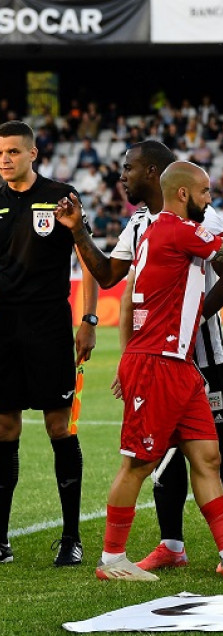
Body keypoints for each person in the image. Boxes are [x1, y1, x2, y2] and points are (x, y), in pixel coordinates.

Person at [56, 161, 223, 581]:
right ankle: (112, 560)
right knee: (138, 463)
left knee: (208, 456)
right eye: (204, 192)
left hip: (178, 365)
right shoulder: (177, 229)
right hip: (156, 364)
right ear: (183, 194)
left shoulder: (156, 231)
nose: (209, 199)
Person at [0, 120, 99, 567]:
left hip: (49, 328)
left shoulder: (60, 196)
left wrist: (89, 320)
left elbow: (87, 258)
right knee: (5, 429)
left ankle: (72, 538)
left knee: (60, 428)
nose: (5, 159)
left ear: (33, 154)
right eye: (1, 152)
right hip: (2, 330)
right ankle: (1, 539)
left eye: (14, 152)